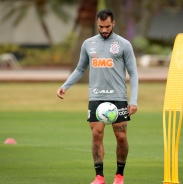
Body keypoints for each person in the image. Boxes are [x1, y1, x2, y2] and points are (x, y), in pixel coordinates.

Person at [57, 9, 138, 184]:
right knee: (96, 135)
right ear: (97, 24)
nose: (104, 30)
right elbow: (80, 69)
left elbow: (133, 73)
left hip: (118, 97)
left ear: (113, 23)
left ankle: (119, 176)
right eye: (101, 26)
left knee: (121, 137)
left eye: (107, 26)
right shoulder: (88, 44)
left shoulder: (124, 44)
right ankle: (99, 177)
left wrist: (133, 101)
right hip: (96, 98)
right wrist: (66, 86)